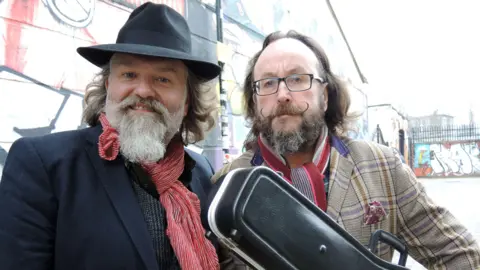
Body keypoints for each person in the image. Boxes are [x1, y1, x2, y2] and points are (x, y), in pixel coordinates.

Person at [211, 30, 480, 269]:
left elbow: (461, 256)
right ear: (255, 101)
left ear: (325, 96)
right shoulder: (227, 185)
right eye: (268, 83)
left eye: (297, 78)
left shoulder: (383, 166)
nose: (282, 94)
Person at [0, 3, 223, 270]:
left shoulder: (200, 172)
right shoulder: (44, 166)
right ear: (108, 87)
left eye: (163, 79)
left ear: (187, 101)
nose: (143, 90)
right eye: (129, 74)